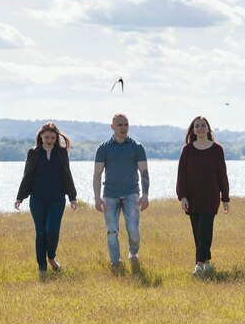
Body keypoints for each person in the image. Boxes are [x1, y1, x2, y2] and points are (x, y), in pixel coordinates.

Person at [14, 122, 78, 277]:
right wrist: (20, 197)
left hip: (57, 199)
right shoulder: (33, 153)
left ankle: (51, 257)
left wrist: (72, 197)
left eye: (53, 137)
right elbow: (27, 175)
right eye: (47, 137)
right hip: (38, 199)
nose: (49, 140)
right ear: (41, 136)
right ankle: (42, 268)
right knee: (41, 233)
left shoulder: (61, 153)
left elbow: (66, 174)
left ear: (56, 138)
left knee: (52, 230)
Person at [93, 113, 149, 268]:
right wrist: (97, 198)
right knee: (112, 232)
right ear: (112, 127)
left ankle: (133, 252)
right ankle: (115, 262)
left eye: (126, 124)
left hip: (131, 194)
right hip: (110, 195)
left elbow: (144, 172)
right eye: (120, 125)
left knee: (133, 231)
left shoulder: (137, 147)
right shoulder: (103, 148)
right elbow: (97, 174)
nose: (123, 128)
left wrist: (145, 195)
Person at [176, 116, 230, 275]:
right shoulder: (187, 150)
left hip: (210, 197)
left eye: (203, 126)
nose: (200, 128)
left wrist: (225, 198)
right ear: (193, 130)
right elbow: (181, 175)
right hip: (192, 198)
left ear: (208, 129)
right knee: (197, 232)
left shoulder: (217, 149)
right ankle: (207, 262)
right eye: (197, 126)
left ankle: (198, 265)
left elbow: (222, 175)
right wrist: (182, 196)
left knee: (204, 230)